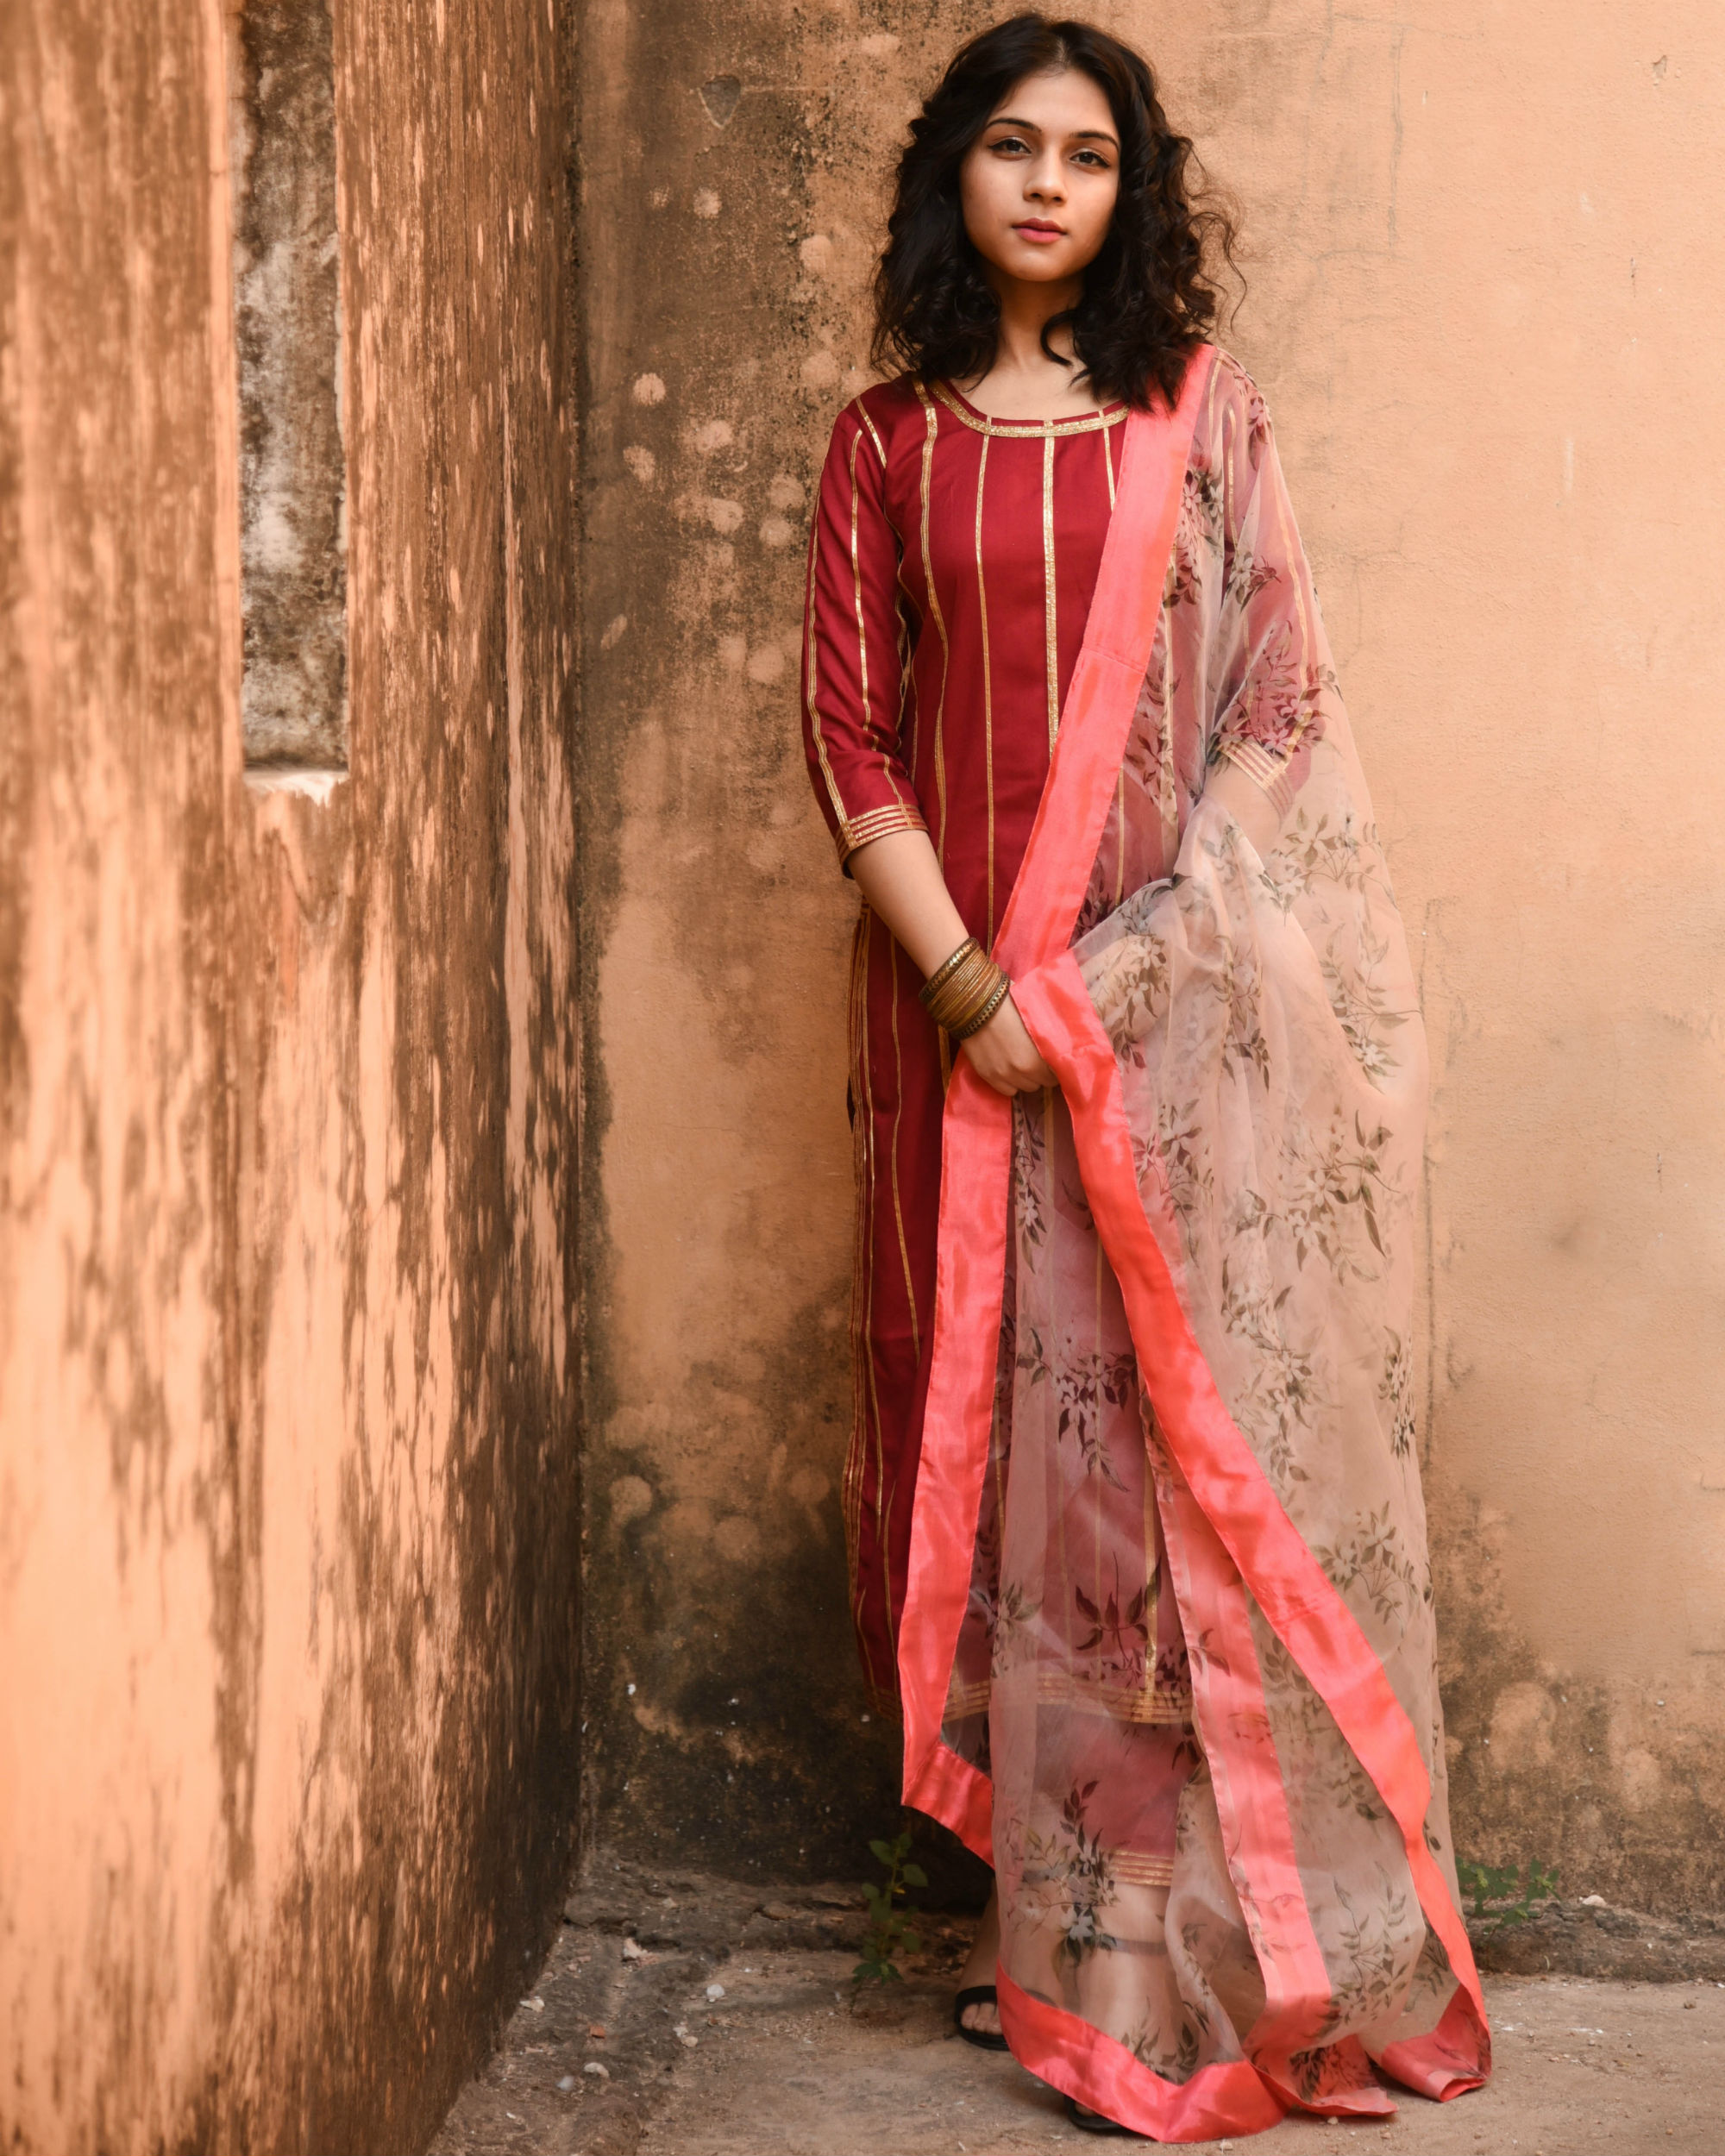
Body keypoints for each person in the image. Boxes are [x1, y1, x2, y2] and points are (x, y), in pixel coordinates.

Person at [799, 14, 1490, 2137]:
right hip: (958, 1039)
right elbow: (854, 744)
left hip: (1175, 1040)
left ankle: (1218, 1945)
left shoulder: (1201, 424)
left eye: (1086, 157)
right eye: (1008, 149)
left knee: (1179, 1474)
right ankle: (1061, 1941)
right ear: (957, 179)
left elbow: (1271, 703)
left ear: (1131, 194)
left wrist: (1130, 973)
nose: (1044, 188)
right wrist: (974, 996)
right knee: (1007, 1467)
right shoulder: (886, 446)